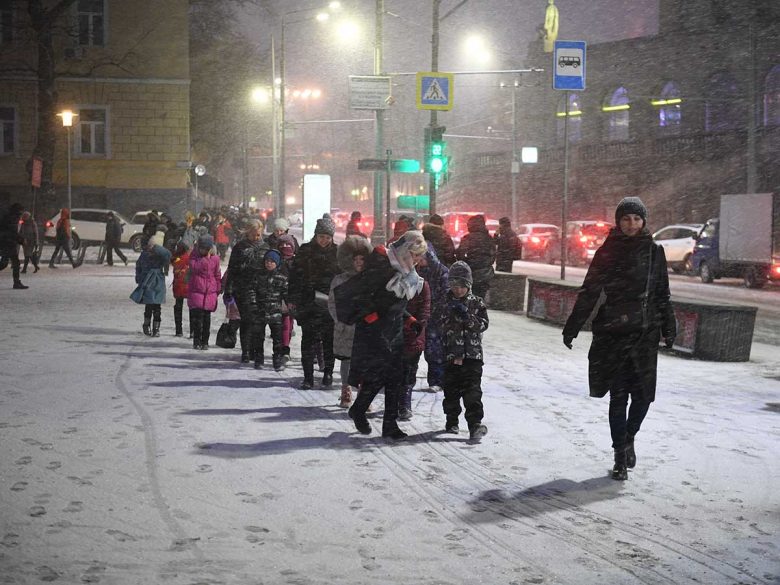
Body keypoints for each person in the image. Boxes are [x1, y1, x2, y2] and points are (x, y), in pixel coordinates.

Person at [562, 197, 676, 481]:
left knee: (643, 398)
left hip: (645, 334)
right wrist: (573, 326)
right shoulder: (607, 252)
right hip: (614, 333)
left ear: (644, 221)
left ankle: (629, 438)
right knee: (618, 397)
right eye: (626, 219)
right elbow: (589, 291)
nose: (632, 224)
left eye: (637, 219)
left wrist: (669, 326)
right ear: (618, 221)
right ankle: (619, 455)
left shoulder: (654, 252)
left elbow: (663, 292)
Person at [334, 230, 428, 441]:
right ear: (405, 251)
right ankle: (378, 420)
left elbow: (393, 305)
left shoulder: (404, 273)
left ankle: (382, 421)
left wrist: (409, 319)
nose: (417, 260)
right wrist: (373, 321)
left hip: (392, 333)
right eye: (415, 255)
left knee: (389, 379)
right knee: (382, 378)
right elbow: (366, 299)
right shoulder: (382, 267)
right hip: (375, 334)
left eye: (419, 256)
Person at [288, 218, 340, 388]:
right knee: (308, 341)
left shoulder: (338, 253)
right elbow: (295, 277)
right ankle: (308, 377)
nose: (324, 240)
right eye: (321, 236)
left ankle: (328, 373)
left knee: (328, 341)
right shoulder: (305, 251)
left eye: (327, 237)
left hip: (330, 304)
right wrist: (292, 299)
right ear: (316, 235)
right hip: (309, 302)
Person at [441, 261, 489, 440]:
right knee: (451, 391)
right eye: (454, 286)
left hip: (472, 357)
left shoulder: (477, 303)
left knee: (473, 392)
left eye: (462, 286)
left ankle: (474, 424)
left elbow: (482, 325)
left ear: (468, 285)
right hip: (452, 355)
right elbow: (439, 325)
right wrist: (451, 316)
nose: (458, 290)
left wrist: (467, 317)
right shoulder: (445, 302)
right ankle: (452, 419)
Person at [328, 235, 372, 408]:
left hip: (366, 328)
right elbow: (332, 303)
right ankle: (346, 390)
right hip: (346, 327)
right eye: (355, 259)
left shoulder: (370, 280)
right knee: (347, 361)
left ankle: (363, 394)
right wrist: (340, 320)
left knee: (365, 363)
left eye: (362, 259)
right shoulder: (339, 280)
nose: (359, 262)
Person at [224, 219, 269, 363]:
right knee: (247, 321)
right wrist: (229, 288)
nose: (256, 237)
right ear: (248, 232)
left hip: (261, 289)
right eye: (254, 234)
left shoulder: (265, 247)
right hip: (243, 288)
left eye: (258, 234)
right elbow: (232, 269)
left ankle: (257, 350)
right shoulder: (239, 247)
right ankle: (246, 351)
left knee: (259, 322)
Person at [416, 244, 449, 392]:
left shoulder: (441, 272)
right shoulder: (416, 272)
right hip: (420, 316)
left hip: (436, 318)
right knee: (416, 350)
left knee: (434, 350)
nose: (420, 260)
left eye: (423, 257)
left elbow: (446, 296)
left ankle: (437, 380)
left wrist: (435, 311)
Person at [249, 249, 289, 370]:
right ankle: (259, 358)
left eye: (272, 261)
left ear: (277, 263)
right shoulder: (258, 276)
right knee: (258, 337)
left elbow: (286, 294)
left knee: (277, 338)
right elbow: (252, 290)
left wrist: (289, 306)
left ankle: (277, 359)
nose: (269, 263)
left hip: (275, 313)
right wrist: (253, 304)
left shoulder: (282, 278)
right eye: (267, 261)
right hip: (260, 311)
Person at [399, 278, 431, 420]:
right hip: (395, 333)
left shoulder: (421, 285)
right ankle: (396, 402)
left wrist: (417, 323)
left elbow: (425, 308)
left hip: (414, 334)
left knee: (409, 371)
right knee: (396, 371)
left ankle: (405, 403)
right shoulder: (393, 281)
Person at [188, 235, 222, 350]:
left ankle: (205, 341)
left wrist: (218, 288)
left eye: (206, 249)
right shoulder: (194, 257)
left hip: (209, 292)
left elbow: (217, 274)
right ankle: (196, 340)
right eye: (202, 248)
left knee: (207, 320)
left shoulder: (215, 259)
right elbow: (194, 268)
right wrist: (205, 259)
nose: (204, 251)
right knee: (197, 319)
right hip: (197, 291)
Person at [133, 235, 171, 336]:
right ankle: (147, 325)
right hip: (147, 283)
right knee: (149, 306)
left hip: (158, 283)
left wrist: (156, 247)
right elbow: (138, 267)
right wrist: (139, 278)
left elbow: (168, 255)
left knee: (157, 307)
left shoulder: (160, 255)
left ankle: (156, 328)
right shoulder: (144, 255)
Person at [455, 214, 495, 301]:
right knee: (480, 298)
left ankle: (469, 312)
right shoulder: (489, 238)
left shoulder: (467, 238)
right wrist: (485, 264)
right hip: (485, 274)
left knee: (468, 299)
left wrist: (467, 263)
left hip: (470, 273)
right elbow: (493, 256)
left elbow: (460, 254)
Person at [0, 203, 28, 289]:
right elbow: (12, 232)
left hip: (7, 242)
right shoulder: (13, 218)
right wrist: (22, 240)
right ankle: (16, 283)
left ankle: (17, 282)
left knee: (13, 263)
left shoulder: (9, 216)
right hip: (8, 243)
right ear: (18, 211)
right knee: (7, 263)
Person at [171, 242, 191, 337]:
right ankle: (192, 331)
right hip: (188, 285)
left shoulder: (176, 258)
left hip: (178, 285)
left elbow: (173, 261)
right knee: (192, 309)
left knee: (178, 307)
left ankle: (178, 330)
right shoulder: (189, 257)